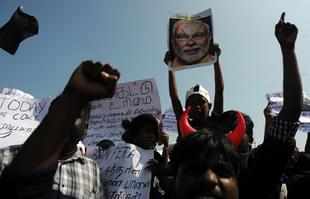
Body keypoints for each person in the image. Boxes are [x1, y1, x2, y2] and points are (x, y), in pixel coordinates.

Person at [169, 13, 303, 199]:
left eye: (223, 171)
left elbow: (291, 112)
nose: (208, 179)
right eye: (194, 170)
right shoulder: (184, 132)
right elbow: (174, 99)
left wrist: (288, 49)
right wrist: (171, 67)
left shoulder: (249, 167)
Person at [0, 60, 120, 198]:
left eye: (74, 115)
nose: (64, 122)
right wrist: (73, 95)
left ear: (85, 128)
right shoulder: (6, 156)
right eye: (56, 115)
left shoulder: (93, 170)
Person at [166, 43, 224, 138]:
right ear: (185, 108)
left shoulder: (215, 121)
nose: (196, 106)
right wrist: (170, 67)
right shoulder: (184, 124)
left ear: (209, 106)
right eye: (191, 103)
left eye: (201, 102)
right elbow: (174, 98)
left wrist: (216, 60)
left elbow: (219, 91)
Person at [120, 114, 170, 199]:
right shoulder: (120, 154)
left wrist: (166, 147)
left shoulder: (155, 156)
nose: (153, 136)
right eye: (148, 131)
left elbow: (165, 177)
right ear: (134, 135)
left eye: (155, 133)